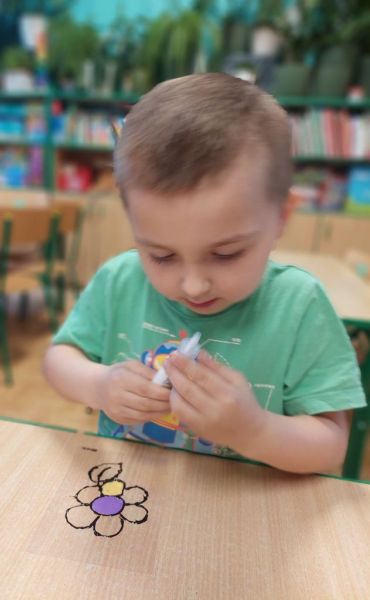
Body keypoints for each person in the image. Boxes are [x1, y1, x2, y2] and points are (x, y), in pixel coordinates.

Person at [43, 73, 366, 474]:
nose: (194, 286)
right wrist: (98, 384)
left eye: (226, 254)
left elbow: (332, 445)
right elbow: (59, 359)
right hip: (129, 491)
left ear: (281, 217)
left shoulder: (300, 306)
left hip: (246, 504)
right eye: (161, 255)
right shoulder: (120, 280)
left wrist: (254, 430)